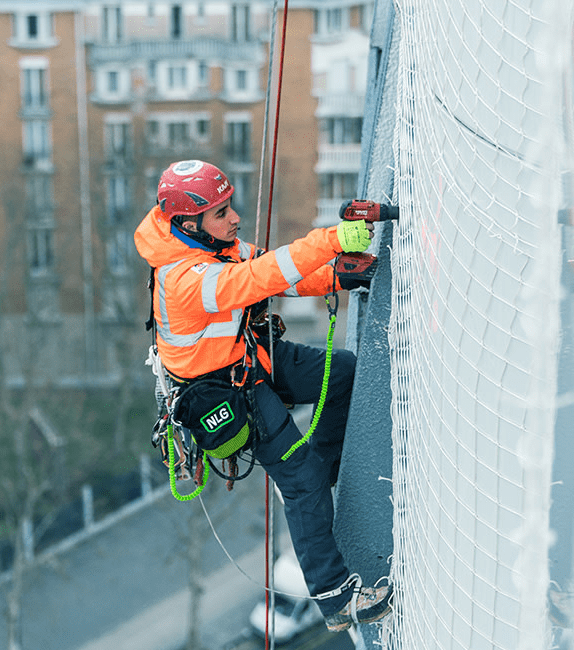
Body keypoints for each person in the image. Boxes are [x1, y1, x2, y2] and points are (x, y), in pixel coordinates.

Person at [133, 160, 392, 632]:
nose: (233, 219)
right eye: (220, 213)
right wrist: (332, 240)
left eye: (229, 209)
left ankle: (323, 475)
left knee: (344, 375)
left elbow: (270, 271)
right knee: (300, 480)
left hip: (250, 357)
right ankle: (337, 599)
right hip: (226, 392)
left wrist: (336, 277)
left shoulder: (212, 246)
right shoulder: (184, 280)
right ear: (189, 224)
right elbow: (258, 279)